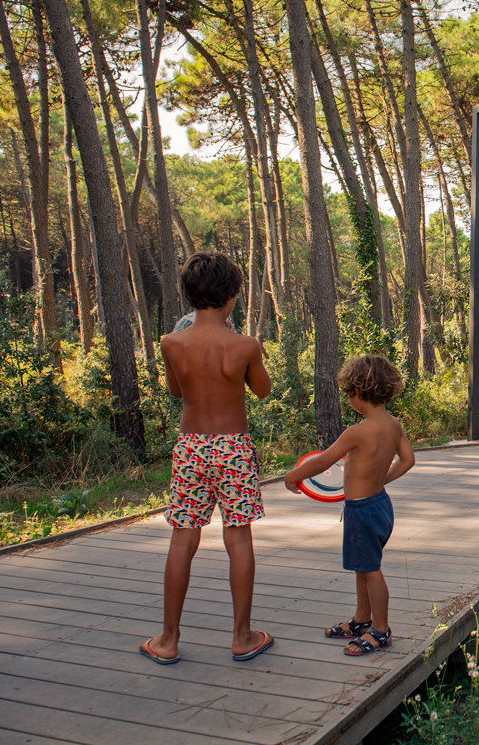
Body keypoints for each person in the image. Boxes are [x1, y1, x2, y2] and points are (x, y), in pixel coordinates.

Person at [142, 251, 273, 666]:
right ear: (232, 296)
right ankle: (242, 636)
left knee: (183, 540)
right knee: (238, 538)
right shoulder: (245, 345)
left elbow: (177, 393)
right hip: (232, 447)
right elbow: (263, 390)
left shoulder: (170, 343)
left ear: (189, 294)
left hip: (191, 446)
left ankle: (167, 639)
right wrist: (251, 361)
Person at [283, 354, 415, 657]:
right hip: (380, 504)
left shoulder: (358, 431)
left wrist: (293, 476)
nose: (348, 399)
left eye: (348, 394)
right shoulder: (393, 425)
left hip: (362, 510)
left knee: (370, 569)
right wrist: (381, 479)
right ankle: (361, 620)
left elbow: (323, 461)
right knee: (362, 565)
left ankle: (380, 630)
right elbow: (409, 460)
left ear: (358, 392)